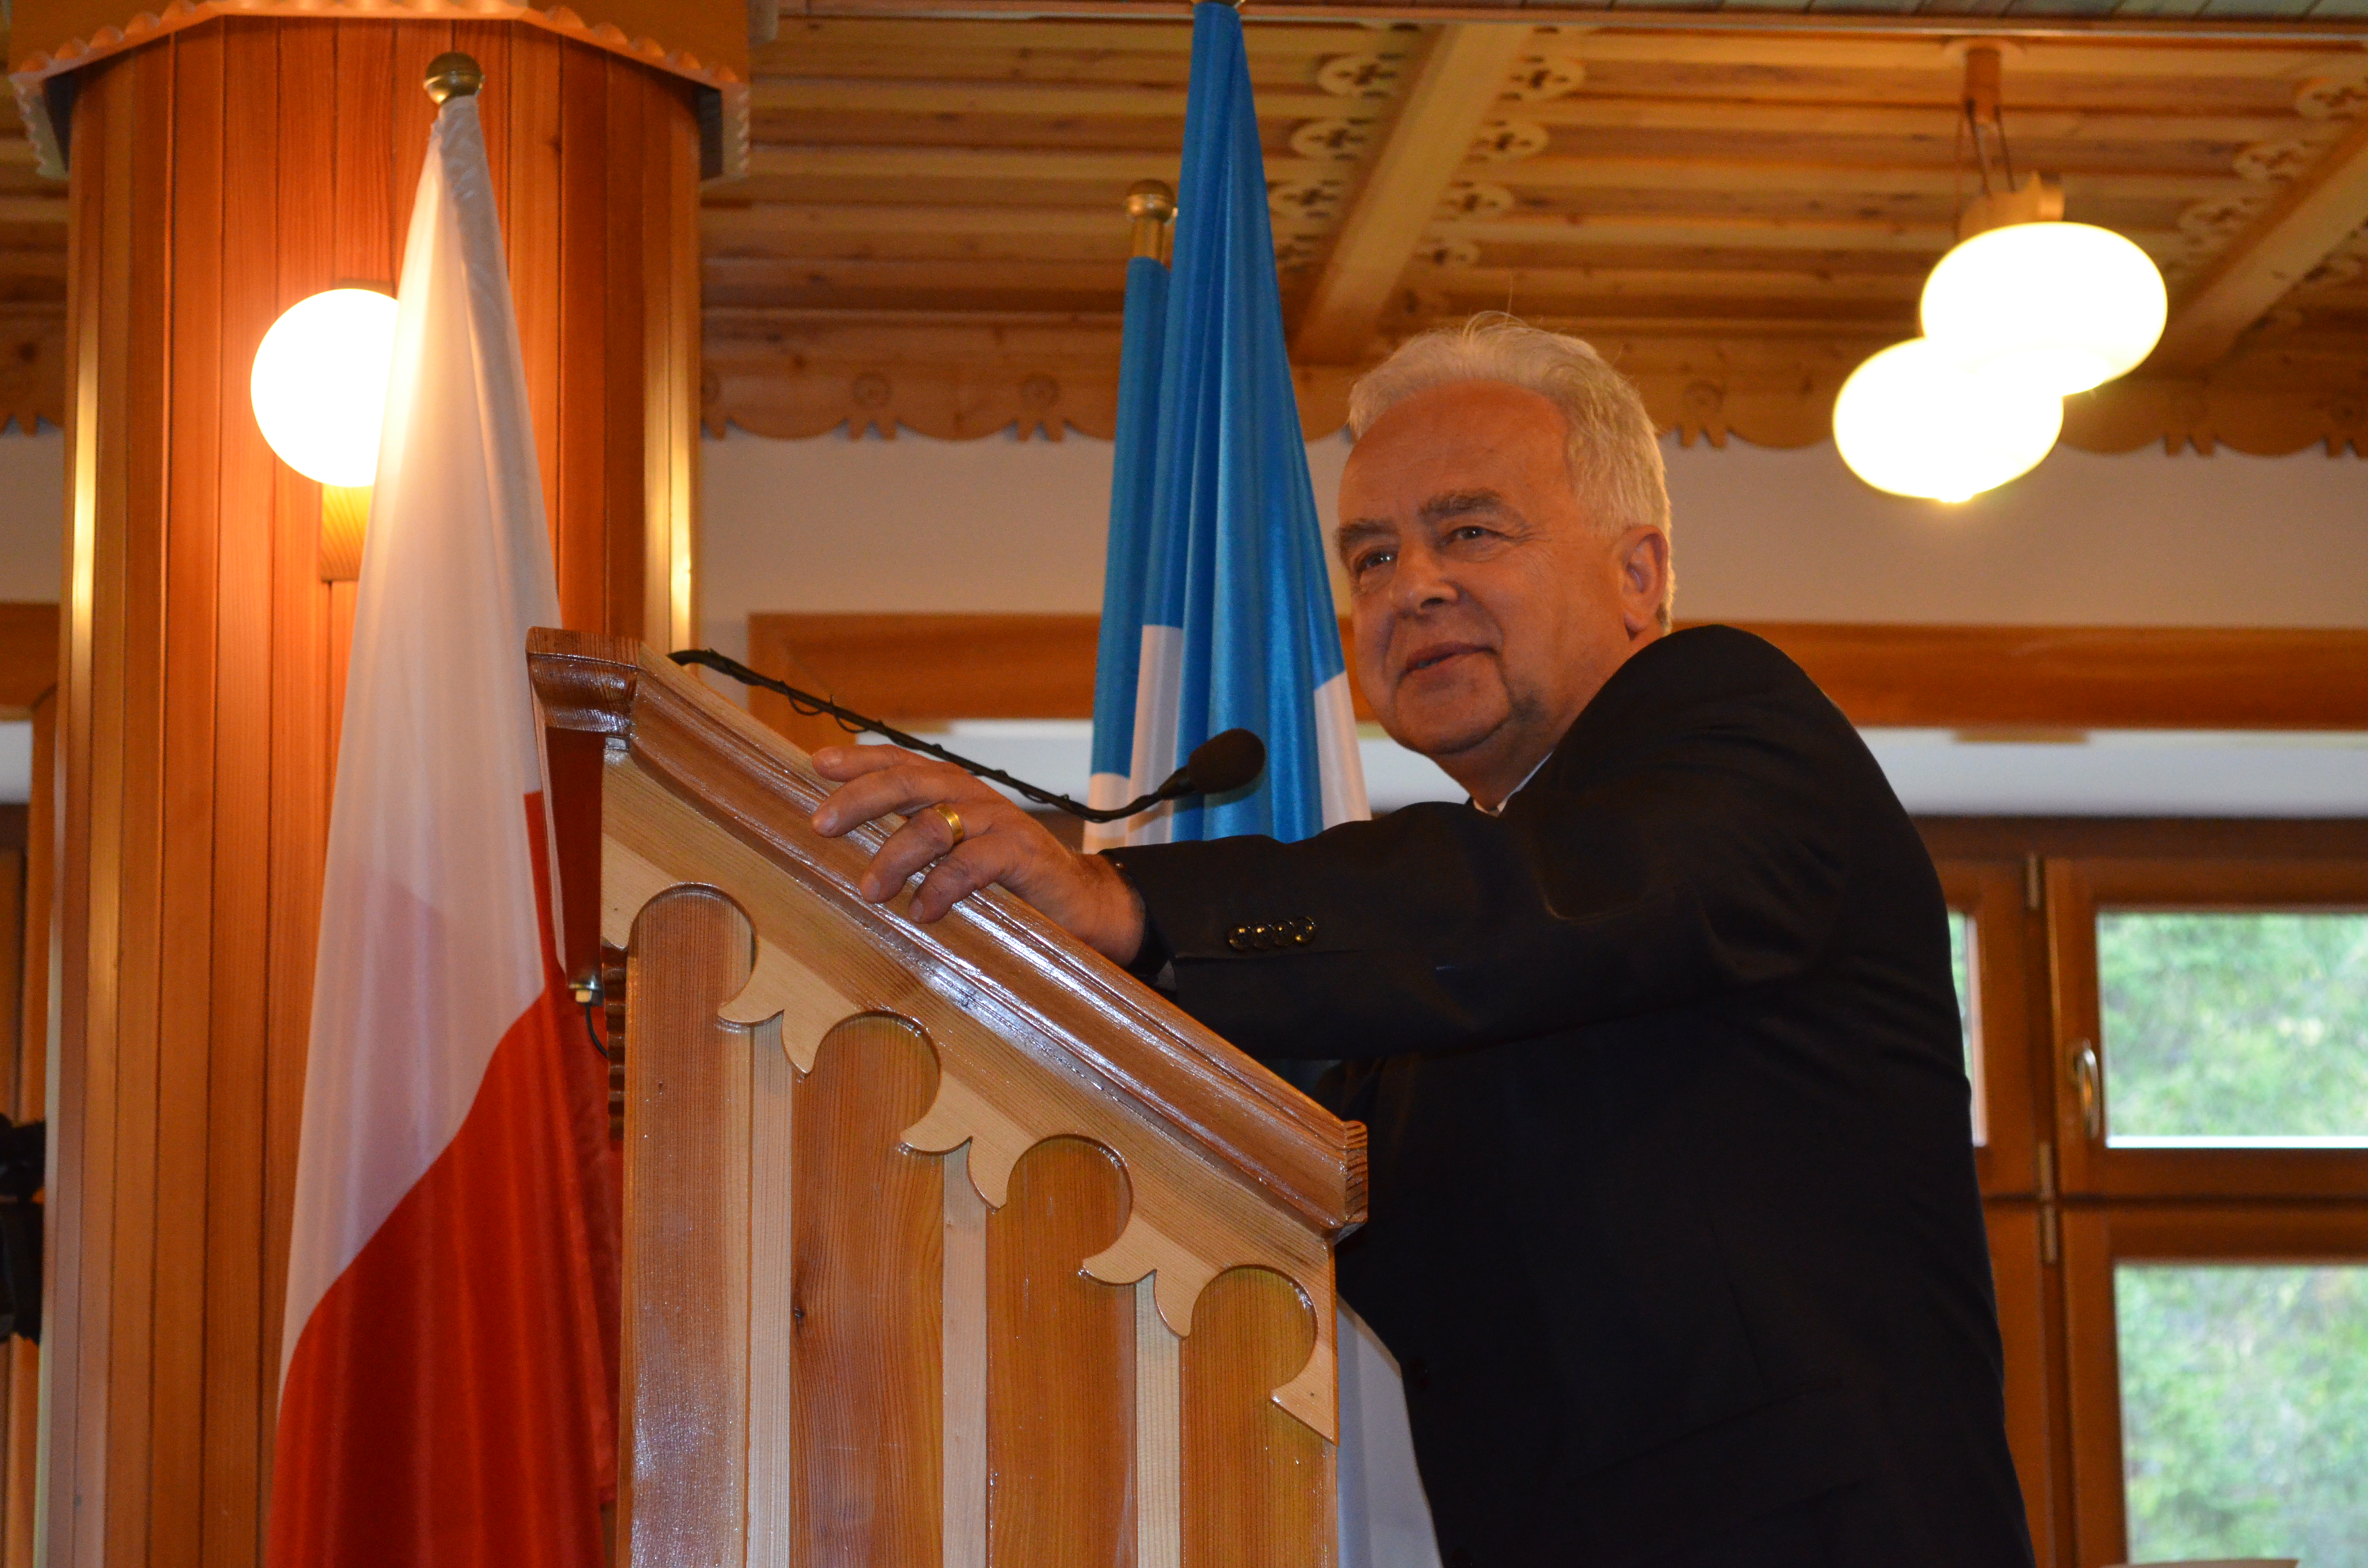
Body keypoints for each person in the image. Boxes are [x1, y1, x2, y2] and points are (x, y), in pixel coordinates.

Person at [807, 316, 2036, 1568]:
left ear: (1639, 574)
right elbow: (1306, 1150)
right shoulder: (1435, 965)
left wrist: (1128, 899)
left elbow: (1529, 904)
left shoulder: (1734, 733)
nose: (1412, 588)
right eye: (1374, 557)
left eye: (1471, 532)